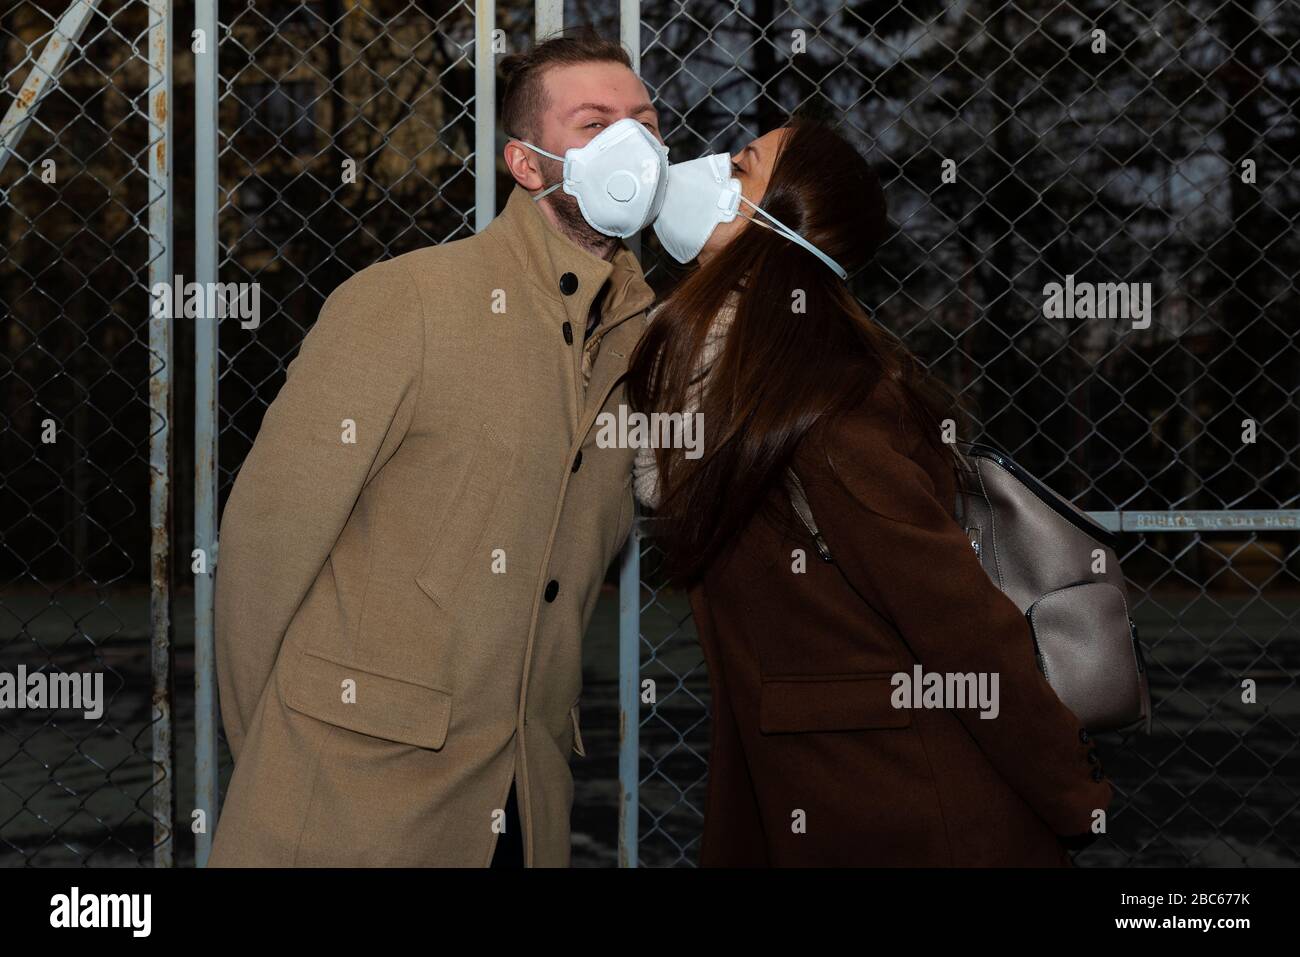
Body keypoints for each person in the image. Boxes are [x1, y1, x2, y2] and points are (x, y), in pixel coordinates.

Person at [209, 31, 661, 867]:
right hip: (355, 805)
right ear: (526, 165)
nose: (632, 143)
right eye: (594, 124)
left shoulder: (643, 344)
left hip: (525, 800)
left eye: (645, 120)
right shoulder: (405, 303)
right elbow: (266, 549)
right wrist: (283, 755)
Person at [627, 115, 1113, 866]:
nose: (713, 164)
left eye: (742, 164)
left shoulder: (826, 409)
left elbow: (960, 624)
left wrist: (1074, 794)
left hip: (913, 814)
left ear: (777, 220)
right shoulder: (717, 389)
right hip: (817, 800)